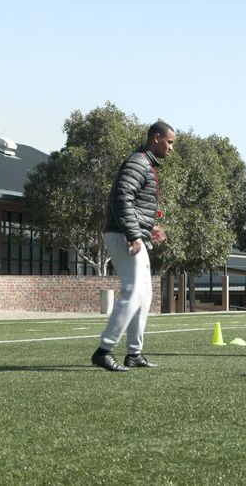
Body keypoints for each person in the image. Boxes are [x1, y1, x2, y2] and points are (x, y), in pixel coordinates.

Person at [91, 121, 175, 372]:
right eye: (169, 142)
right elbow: (121, 198)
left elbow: (132, 203)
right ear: (156, 138)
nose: (171, 148)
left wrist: (147, 230)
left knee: (145, 294)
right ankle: (104, 350)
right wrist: (133, 234)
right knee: (133, 291)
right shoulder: (138, 162)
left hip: (132, 234)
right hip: (123, 235)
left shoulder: (144, 163)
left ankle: (134, 353)